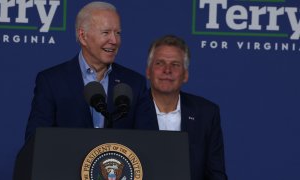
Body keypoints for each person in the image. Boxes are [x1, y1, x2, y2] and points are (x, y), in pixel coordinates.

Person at [25, 1, 146, 140]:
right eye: (106, 32)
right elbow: (35, 140)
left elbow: (147, 142)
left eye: (118, 33)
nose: (114, 40)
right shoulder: (51, 81)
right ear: (83, 36)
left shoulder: (135, 83)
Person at [135, 35, 228, 180]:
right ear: (148, 72)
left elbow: (216, 174)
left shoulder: (206, 113)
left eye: (175, 64)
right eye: (160, 63)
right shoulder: (129, 110)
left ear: (185, 75)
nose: (167, 70)